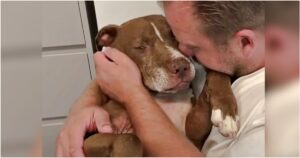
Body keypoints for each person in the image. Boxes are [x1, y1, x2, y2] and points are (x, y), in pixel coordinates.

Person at [56, 1, 265, 156]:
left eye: (193, 47)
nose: (181, 55)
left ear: (245, 42)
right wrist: (87, 105)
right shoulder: (220, 61)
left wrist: (132, 94)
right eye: (178, 39)